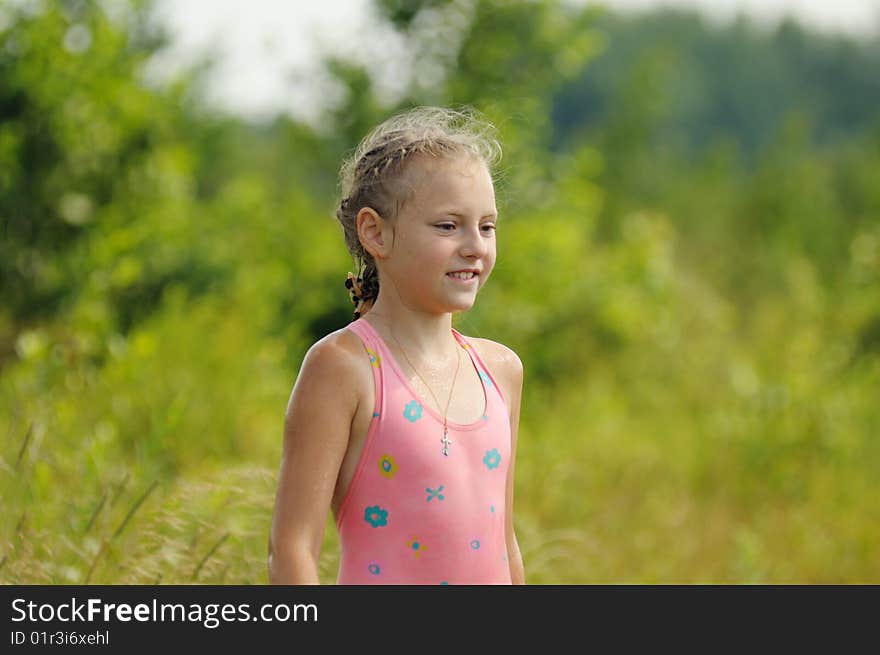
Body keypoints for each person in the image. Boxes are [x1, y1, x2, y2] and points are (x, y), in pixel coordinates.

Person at [268, 106, 525, 584]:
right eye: (448, 226)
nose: (475, 246)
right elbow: (292, 549)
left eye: (487, 226)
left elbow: (504, 544)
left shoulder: (501, 370)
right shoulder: (344, 367)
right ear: (375, 233)